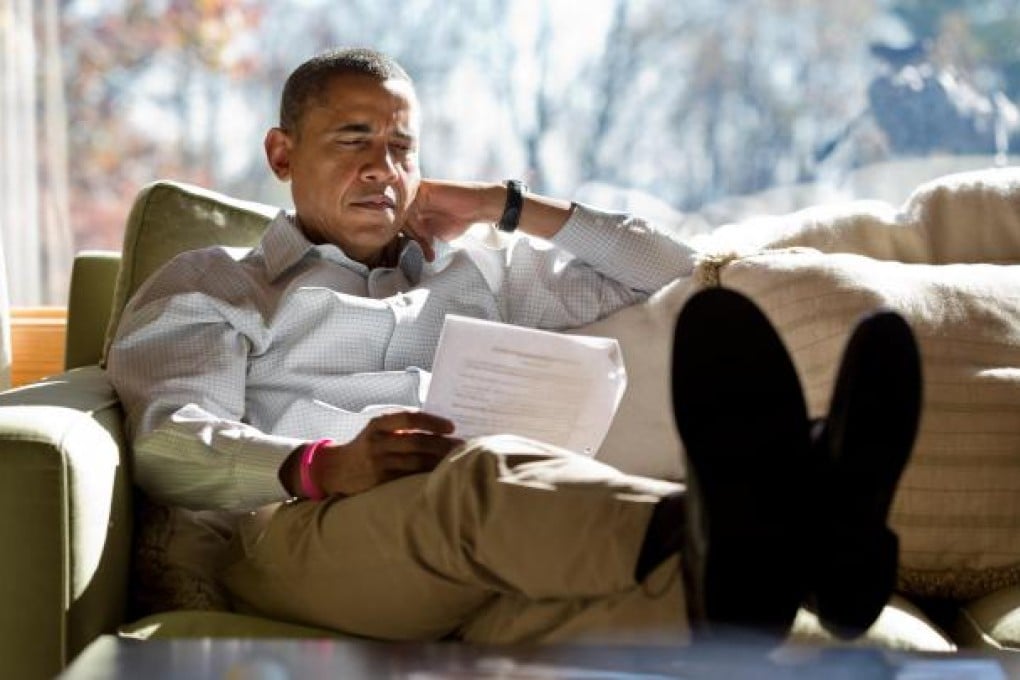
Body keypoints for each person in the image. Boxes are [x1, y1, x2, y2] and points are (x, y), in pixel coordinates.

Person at [106, 47, 922, 645]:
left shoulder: (479, 273)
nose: (382, 168)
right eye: (353, 139)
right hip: (294, 532)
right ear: (282, 154)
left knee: (593, 614)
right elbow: (168, 443)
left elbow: (674, 270)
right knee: (480, 477)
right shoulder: (218, 283)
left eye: (401, 147)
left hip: (474, 551)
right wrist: (319, 464)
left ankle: (776, 559)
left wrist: (507, 205)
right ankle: (811, 525)